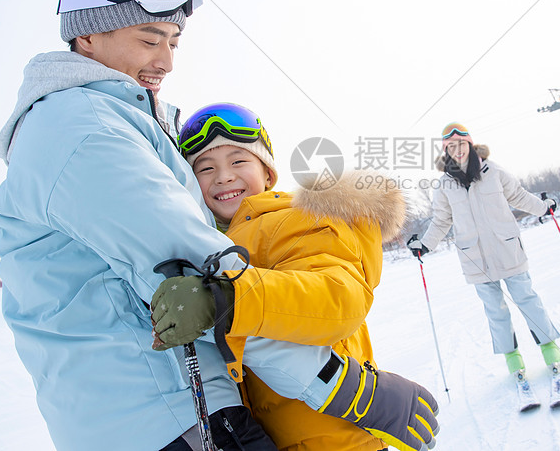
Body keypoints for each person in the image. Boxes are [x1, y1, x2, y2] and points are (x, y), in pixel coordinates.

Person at [0, 0, 437, 451]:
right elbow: (202, 284)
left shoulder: (98, 125)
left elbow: (322, 293)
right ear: (88, 35)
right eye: (149, 39)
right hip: (169, 414)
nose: (165, 61)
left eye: (174, 43)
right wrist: (348, 389)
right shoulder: (86, 132)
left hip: (166, 411)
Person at [151, 102, 436, 451]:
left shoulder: (294, 219)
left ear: (268, 173)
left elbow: (336, 299)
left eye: (238, 161)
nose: (223, 176)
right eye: (205, 168)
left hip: (332, 437)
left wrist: (226, 298)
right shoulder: (213, 244)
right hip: (272, 435)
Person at [406, 123, 560, 391]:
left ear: (470, 144)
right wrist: (425, 245)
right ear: (446, 150)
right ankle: (515, 365)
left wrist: (543, 207)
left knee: (528, 301)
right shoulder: (444, 183)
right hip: (475, 259)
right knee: (496, 312)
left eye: (461, 144)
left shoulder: (494, 171)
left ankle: (552, 355)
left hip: (508, 250)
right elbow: (442, 220)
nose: (457, 150)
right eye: (450, 146)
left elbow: (518, 196)